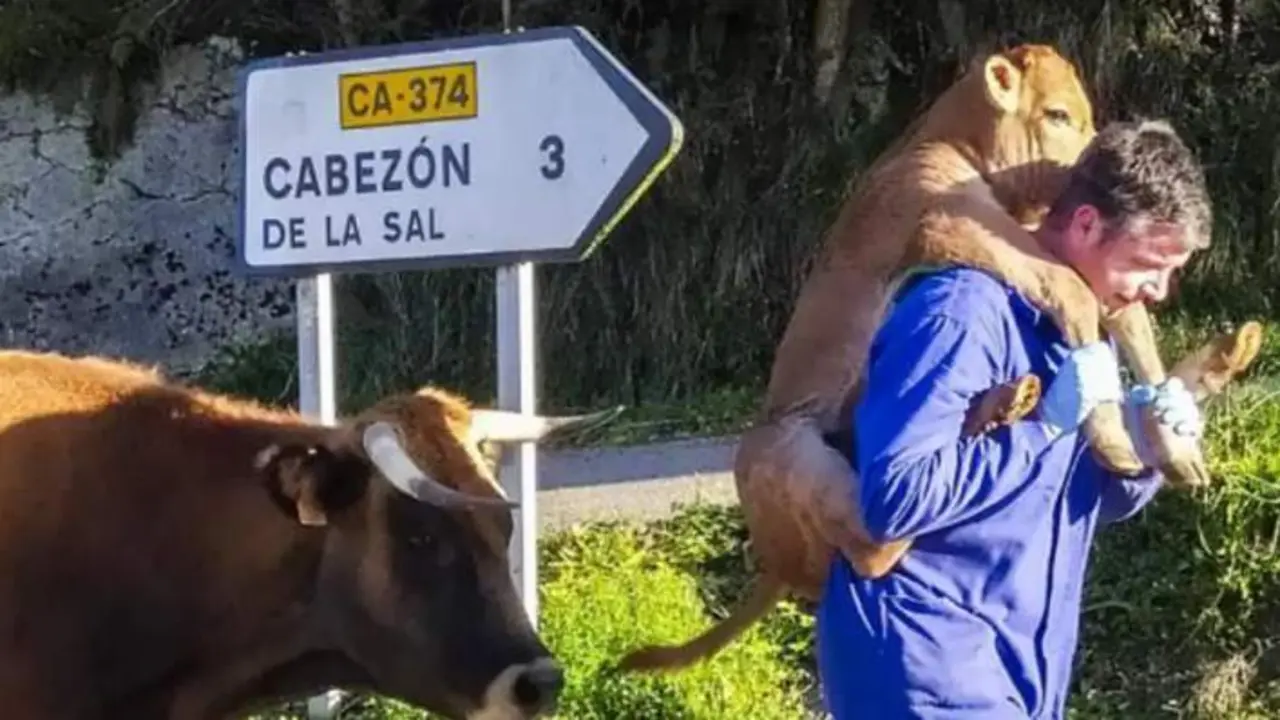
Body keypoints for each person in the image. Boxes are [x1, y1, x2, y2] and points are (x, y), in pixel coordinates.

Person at [815, 118, 1213, 719]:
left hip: (1011, 670)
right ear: (1085, 224)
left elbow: (1059, 503)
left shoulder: (1083, 333)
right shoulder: (961, 313)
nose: (1158, 290)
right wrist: (1045, 426)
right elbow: (893, 499)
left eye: (1170, 272)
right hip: (923, 664)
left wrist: (1147, 449)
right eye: (1147, 263)